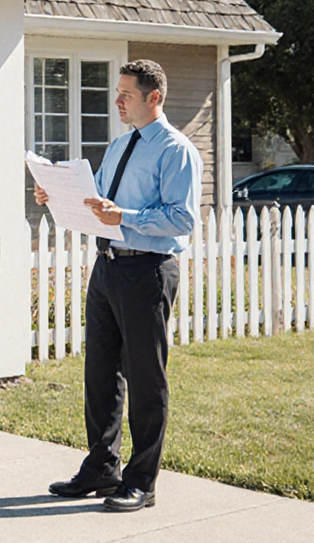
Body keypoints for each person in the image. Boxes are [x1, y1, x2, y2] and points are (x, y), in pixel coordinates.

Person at [35, 60, 202, 512]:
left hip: (147, 270)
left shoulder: (176, 150)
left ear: (154, 97)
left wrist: (123, 217)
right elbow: (98, 203)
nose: (117, 101)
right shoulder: (119, 145)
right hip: (107, 268)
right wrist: (57, 194)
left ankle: (142, 482)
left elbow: (183, 218)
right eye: (118, 92)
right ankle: (101, 469)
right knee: (100, 372)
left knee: (146, 377)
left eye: (126, 94)